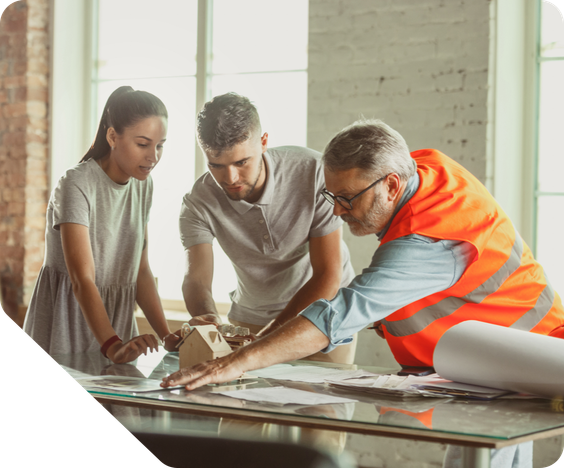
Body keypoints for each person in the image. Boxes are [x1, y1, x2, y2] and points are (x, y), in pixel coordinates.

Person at [162, 117, 564, 388]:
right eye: (331, 195)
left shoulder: (428, 241)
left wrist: (233, 363)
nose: (336, 210)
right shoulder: (420, 172)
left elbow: (338, 312)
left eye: (347, 198)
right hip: (490, 355)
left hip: (536, 354)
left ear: (390, 185)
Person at [178, 92, 356, 364]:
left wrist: (269, 338)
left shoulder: (314, 172)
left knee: (324, 406)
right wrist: (208, 316)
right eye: (216, 165)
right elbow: (197, 278)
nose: (230, 178)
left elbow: (328, 276)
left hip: (323, 313)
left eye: (241, 162)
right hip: (249, 320)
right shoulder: (198, 201)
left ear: (263, 143)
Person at [23, 86, 181, 363]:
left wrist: (167, 336)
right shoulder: (76, 184)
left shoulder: (143, 186)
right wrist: (111, 345)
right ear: (112, 137)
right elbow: (81, 279)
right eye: (143, 144)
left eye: (160, 145)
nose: (153, 156)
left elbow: (140, 271)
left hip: (116, 327)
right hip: (67, 324)